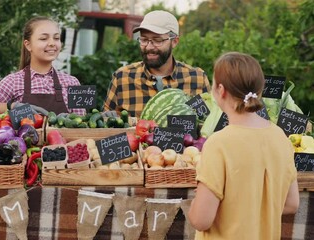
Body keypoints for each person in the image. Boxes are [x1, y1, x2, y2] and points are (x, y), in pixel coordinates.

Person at [188, 52, 299, 239]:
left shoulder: (218, 143)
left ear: (220, 90)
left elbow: (201, 220)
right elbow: (292, 203)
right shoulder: (280, 137)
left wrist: (193, 207)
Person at [103, 10, 210, 118]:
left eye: (157, 40)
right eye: (144, 40)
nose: (149, 47)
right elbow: (104, 125)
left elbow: (209, 125)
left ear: (174, 41)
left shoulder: (197, 79)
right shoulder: (122, 77)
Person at [0, 16, 85, 115]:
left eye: (56, 38)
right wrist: (11, 106)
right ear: (28, 45)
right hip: (26, 140)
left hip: (65, 141)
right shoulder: (14, 82)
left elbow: (82, 125)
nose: (52, 43)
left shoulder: (72, 83)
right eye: (44, 38)